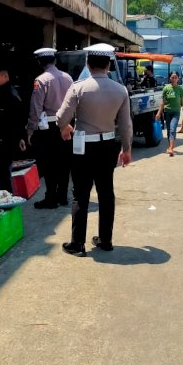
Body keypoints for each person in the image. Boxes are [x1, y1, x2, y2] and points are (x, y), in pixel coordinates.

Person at [56, 44, 133, 257]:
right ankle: (105, 240)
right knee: (106, 193)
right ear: (108, 65)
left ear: (88, 65)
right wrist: (126, 149)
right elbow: (126, 125)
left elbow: (62, 117)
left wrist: (66, 127)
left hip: (82, 146)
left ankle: (77, 244)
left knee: (80, 194)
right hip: (108, 146)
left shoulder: (78, 88)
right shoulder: (120, 90)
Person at [24, 47, 74, 209]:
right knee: (64, 162)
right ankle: (63, 196)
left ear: (40, 62)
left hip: (49, 127)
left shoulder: (41, 80)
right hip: (66, 124)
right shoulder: (68, 78)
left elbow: (36, 108)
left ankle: (51, 198)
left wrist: (30, 130)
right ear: (55, 61)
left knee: (49, 163)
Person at [0, 68, 26, 193]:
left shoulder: (9, 94)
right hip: (0, 139)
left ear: (5, 77)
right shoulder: (2, 92)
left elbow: (18, 118)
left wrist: (20, 136)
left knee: (2, 173)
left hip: (4, 140)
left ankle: (5, 197)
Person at [155, 71, 183, 156]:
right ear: (169, 78)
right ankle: (170, 146)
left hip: (176, 112)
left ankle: (171, 148)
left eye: (175, 77)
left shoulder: (180, 89)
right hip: (167, 112)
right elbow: (163, 102)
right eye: (172, 77)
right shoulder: (166, 88)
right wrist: (159, 113)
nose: (174, 79)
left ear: (178, 78)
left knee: (173, 129)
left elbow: (182, 101)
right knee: (169, 130)